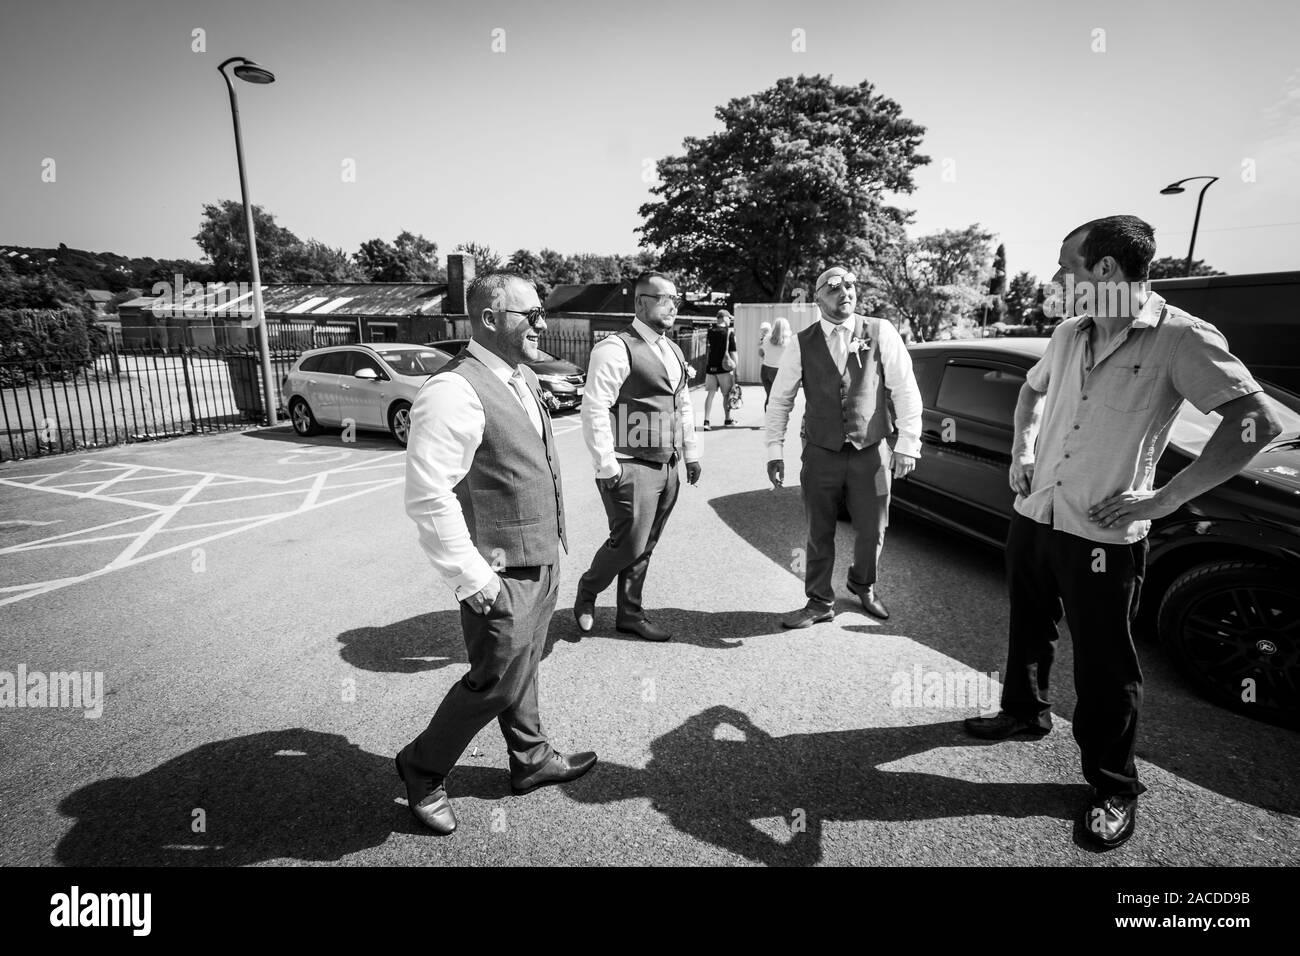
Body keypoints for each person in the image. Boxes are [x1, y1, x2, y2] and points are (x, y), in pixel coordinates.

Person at [964, 215, 1280, 849]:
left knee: (1106, 665)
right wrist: (1022, 453)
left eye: (1067, 266)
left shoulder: (1180, 339)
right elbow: (1030, 395)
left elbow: (1256, 421)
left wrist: (1165, 499)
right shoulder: (1067, 332)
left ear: (1105, 271)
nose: (1058, 278)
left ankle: (1113, 786)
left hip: (1102, 536)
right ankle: (1024, 713)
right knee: (1028, 625)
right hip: (1036, 515)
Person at [398, 273, 597, 834]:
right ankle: (420, 767)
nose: (543, 322)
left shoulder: (522, 376)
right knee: (496, 682)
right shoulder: (452, 390)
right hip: (500, 573)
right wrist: (471, 577)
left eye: (543, 312)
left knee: (526, 666)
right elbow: (428, 494)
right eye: (530, 314)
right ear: (489, 319)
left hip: (542, 559)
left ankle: (530, 761)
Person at [765, 266, 922, 628]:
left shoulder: (880, 331)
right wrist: (774, 448)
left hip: (872, 451)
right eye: (834, 286)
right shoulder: (800, 342)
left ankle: (863, 584)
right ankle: (819, 600)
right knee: (818, 530)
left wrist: (908, 443)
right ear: (817, 297)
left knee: (874, 527)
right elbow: (780, 400)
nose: (845, 291)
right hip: (821, 452)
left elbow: (905, 388)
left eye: (850, 284)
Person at [574, 271, 702, 642]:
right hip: (628, 462)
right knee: (629, 541)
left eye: (676, 299)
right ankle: (588, 590)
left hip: (669, 463)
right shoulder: (615, 348)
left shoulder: (674, 349)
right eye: (665, 298)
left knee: (647, 543)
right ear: (640, 302)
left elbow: (683, 403)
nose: (673, 305)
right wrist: (606, 463)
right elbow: (595, 407)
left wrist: (690, 453)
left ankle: (630, 612)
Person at [702, 310, 738, 429]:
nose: (730, 320)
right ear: (724, 318)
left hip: (711, 368)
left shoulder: (710, 331)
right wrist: (735, 368)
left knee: (710, 395)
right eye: (729, 318)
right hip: (724, 368)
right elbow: (733, 353)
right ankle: (727, 419)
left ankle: (706, 421)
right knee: (726, 395)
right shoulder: (729, 333)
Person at [761, 317, 792, 410]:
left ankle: (768, 421)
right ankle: (777, 422)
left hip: (765, 369)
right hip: (778, 371)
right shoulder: (789, 342)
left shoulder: (766, 339)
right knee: (779, 399)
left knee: (769, 397)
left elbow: (762, 353)